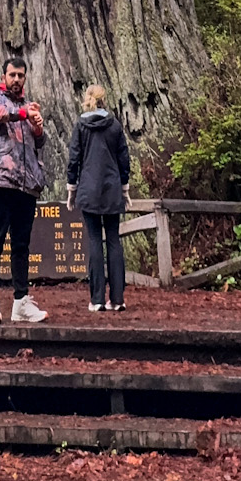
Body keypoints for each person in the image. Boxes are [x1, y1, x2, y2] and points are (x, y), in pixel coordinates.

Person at [0, 57, 48, 325]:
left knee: (21, 245)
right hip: (1, 180)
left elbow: (37, 142)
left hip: (26, 184)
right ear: (4, 76)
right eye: (12, 75)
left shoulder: (27, 106)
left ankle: (21, 301)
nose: (16, 79)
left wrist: (38, 129)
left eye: (21, 75)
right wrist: (22, 114)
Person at [66, 84, 132, 312]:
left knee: (94, 240)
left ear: (87, 99)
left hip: (88, 189)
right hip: (112, 188)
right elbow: (124, 157)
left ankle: (96, 299)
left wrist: (71, 188)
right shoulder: (114, 126)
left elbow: (74, 158)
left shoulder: (81, 125)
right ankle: (117, 299)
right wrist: (125, 187)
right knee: (113, 239)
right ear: (105, 99)